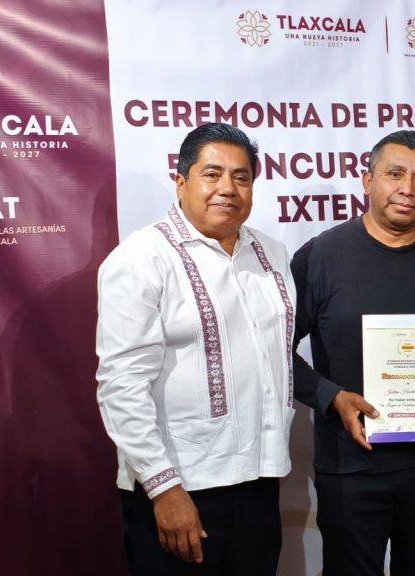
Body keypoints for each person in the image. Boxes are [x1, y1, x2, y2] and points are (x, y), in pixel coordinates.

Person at [96, 123, 294, 575]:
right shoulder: (141, 259)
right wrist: (164, 488)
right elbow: (121, 385)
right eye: (212, 174)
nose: (228, 188)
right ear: (181, 181)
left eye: (241, 177)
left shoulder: (271, 253)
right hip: (181, 487)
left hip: (260, 480)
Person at [291, 130, 415, 575]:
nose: (408, 189)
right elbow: (276, 354)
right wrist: (332, 397)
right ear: (367, 180)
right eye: (395, 174)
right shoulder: (320, 257)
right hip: (352, 468)